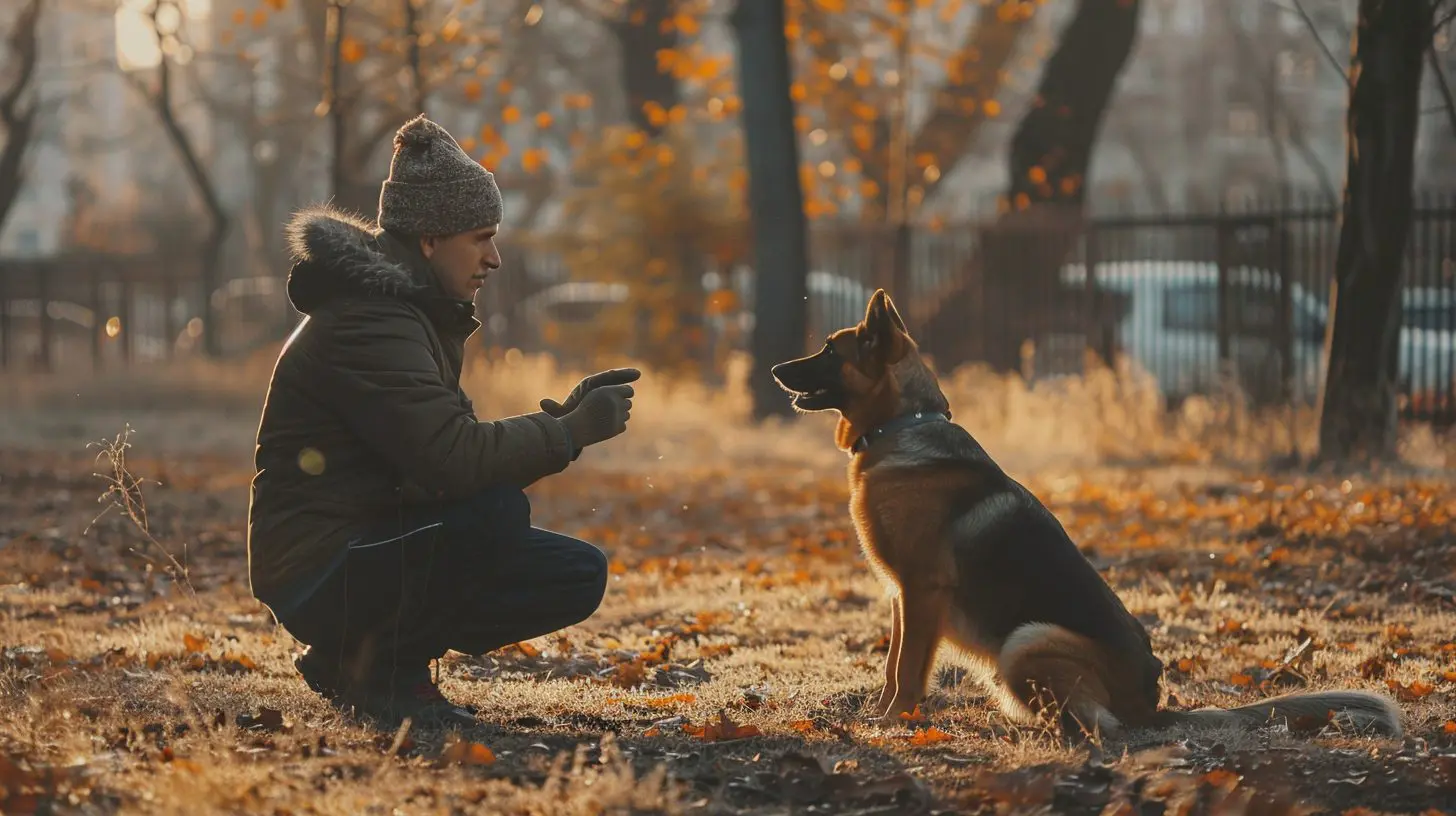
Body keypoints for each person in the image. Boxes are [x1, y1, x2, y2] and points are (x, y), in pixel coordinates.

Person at [246, 114, 638, 726]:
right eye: (481, 238)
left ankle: (350, 658)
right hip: (318, 569)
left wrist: (563, 421)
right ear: (429, 239)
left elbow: (439, 459)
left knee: (574, 573)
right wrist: (571, 433)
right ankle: (380, 673)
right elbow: (452, 460)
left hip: (359, 546)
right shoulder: (370, 321)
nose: (495, 258)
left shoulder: (410, 312)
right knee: (495, 512)